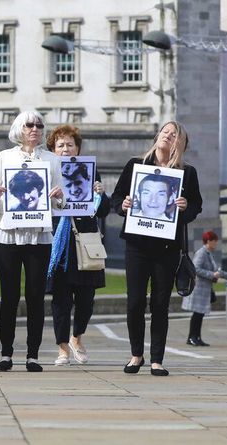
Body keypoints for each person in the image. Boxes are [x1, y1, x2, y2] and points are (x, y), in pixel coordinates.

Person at [111, 121, 202, 376]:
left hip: (167, 247)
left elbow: (197, 205)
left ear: (180, 143)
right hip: (137, 245)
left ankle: (157, 359)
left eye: (174, 134)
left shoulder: (187, 173)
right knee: (135, 301)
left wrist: (185, 207)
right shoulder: (136, 165)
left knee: (160, 303)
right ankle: (136, 354)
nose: (168, 136)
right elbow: (117, 198)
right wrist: (124, 204)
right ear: (157, 136)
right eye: (165, 132)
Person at [0, 111, 63, 372]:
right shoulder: (3, 157)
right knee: (9, 294)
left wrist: (58, 196)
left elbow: (62, 201)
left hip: (39, 233)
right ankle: (6, 352)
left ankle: (33, 354)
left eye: (39, 125)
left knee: (36, 295)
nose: (35, 129)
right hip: (8, 231)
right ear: (19, 128)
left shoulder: (51, 160)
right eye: (30, 125)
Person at [45, 125, 110, 366]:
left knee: (86, 299)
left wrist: (100, 193)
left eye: (69, 144)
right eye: (60, 145)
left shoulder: (89, 172)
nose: (65, 149)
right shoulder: (47, 173)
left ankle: (76, 337)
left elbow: (103, 210)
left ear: (78, 148)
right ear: (53, 149)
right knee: (61, 301)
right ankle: (62, 348)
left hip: (85, 242)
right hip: (58, 246)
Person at [182, 230, 226, 347]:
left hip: (204, 290)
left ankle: (196, 337)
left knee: (199, 314)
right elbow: (196, 268)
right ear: (209, 241)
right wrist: (212, 275)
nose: (216, 244)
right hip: (198, 290)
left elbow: (215, 270)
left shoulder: (208, 253)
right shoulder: (202, 253)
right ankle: (192, 337)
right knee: (197, 314)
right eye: (214, 241)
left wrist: (218, 274)